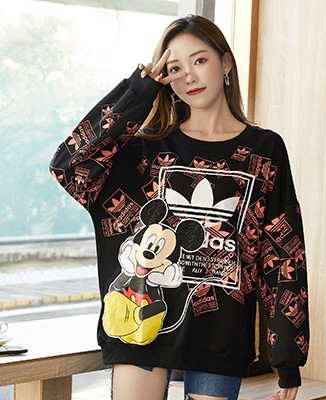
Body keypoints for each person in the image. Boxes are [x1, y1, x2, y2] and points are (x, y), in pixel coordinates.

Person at [49, 14, 309, 400]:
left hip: (220, 335)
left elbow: (283, 251)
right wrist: (139, 90)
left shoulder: (264, 149)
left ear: (226, 62)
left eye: (200, 60)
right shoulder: (144, 150)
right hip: (141, 326)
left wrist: (287, 358)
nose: (189, 76)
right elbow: (70, 166)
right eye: (175, 68)